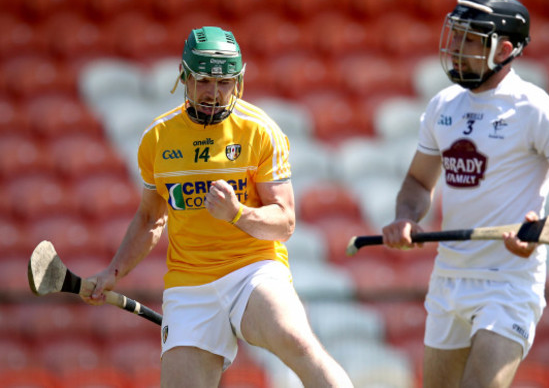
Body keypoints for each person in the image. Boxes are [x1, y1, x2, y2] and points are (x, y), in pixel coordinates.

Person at [80, 26, 353, 388]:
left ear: (239, 81)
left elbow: (285, 222)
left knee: (296, 340)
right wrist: (111, 274)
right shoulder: (157, 139)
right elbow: (149, 218)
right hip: (189, 283)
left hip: (253, 270)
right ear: (184, 77)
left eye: (225, 83)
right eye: (205, 80)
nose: (214, 93)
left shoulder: (259, 130)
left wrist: (237, 214)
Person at [381, 0, 549, 387]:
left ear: (504, 50)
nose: (455, 49)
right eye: (455, 36)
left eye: (469, 40)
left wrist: (545, 233)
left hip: (508, 283)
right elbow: (418, 182)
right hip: (449, 278)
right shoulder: (442, 106)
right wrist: (405, 217)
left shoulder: (540, 111)